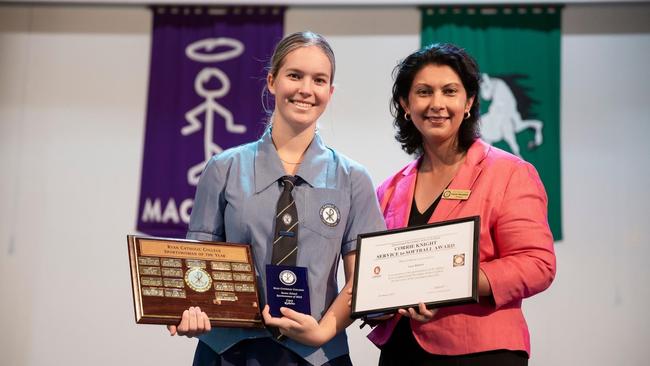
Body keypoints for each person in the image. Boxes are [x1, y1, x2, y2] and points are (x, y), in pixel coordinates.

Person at [167, 31, 386, 366]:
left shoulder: (352, 178)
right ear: (272, 81)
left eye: (319, 80)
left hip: (318, 355)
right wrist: (190, 309)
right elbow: (198, 268)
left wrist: (324, 330)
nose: (305, 89)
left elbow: (364, 278)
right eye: (294, 75)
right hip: (228, 352)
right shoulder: (223, 169)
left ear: (330, 91)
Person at [367, 43, 556, 365]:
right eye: (424, 92)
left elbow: (537, 264)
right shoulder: (390, 188)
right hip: (401, 350)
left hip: (482, 351)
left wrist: (451, 282)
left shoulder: (509, 173)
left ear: (468, 102)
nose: (437, 104)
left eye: (450, 91)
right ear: (405, 104)